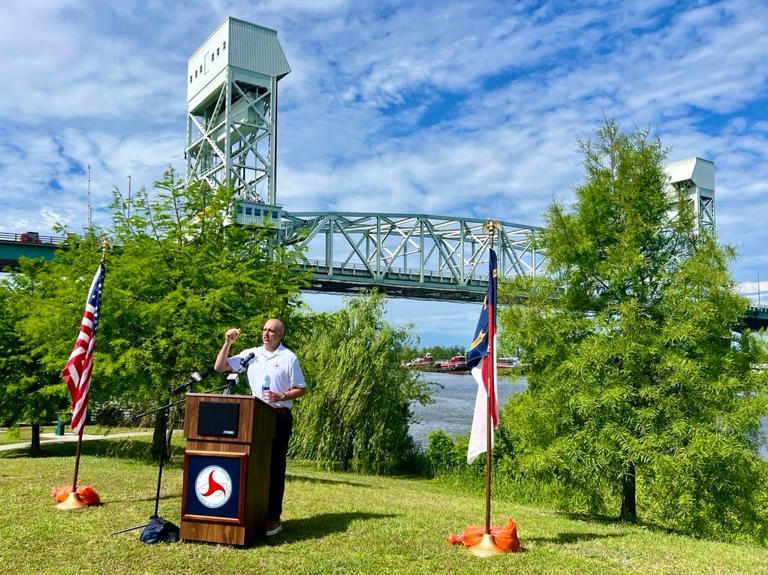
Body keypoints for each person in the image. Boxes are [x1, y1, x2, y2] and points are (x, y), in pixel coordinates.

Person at [214, 318, 307, 537]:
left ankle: (273, 518)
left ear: (280, 335)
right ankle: (251, 511)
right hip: (254, 417)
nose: (266, 334)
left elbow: (301, 389)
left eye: (271, 331)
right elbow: (220, 367)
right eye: (264, 330)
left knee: (274, 468)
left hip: (278, 416)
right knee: (251, 466)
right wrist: (227, 343)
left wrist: (281, 395)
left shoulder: (288, 358)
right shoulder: (252, 354)